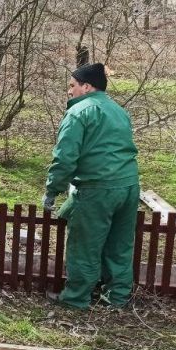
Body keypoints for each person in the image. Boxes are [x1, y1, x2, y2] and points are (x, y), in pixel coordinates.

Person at [43, 62, 140, 309]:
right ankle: (117, 299)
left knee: (84, 246)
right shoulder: (119, 110)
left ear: (86, 87)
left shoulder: (79, 112)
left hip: (98, 189)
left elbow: (65, 157)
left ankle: (76, 299)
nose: (69, 91)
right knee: (119, 246)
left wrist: (52, 189)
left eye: (72, 85)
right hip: (129, 187)